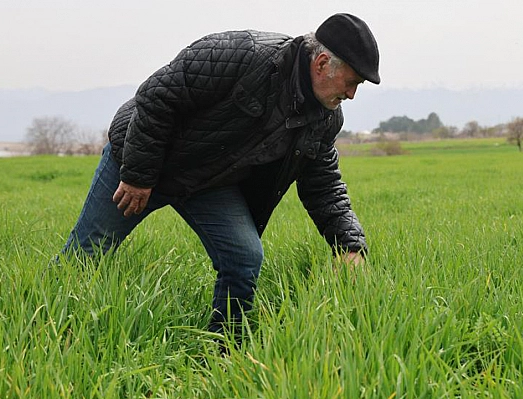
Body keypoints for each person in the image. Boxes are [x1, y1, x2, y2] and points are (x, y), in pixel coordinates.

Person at [59, 13, 379, 337]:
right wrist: (139, 176)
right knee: (86, 252)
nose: (351, 95)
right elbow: (156, 98)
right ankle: (49, 330)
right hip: (139, 164)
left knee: (244, 258)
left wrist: (349, 245)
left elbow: (323, 184)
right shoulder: (242, 53)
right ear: (322, 63)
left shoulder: (324, 118)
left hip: (208, 182)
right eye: (351, 83)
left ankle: (225, 346)